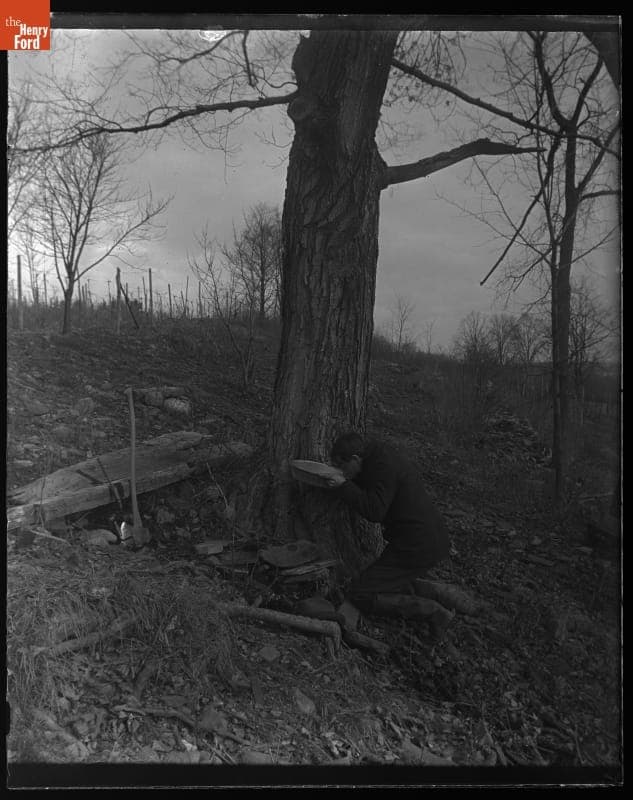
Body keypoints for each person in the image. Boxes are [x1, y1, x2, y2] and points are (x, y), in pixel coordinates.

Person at [326, 431, 454, 639]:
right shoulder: (378, 456)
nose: (341, 472)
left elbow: (375, 511)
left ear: (356, 459)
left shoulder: (382, 466)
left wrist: (344, 486)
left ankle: (434, 612)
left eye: (342, 467)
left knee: (360, 593)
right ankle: (444, 597)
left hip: (417, 545)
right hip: (427, 539)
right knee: (389, 580)